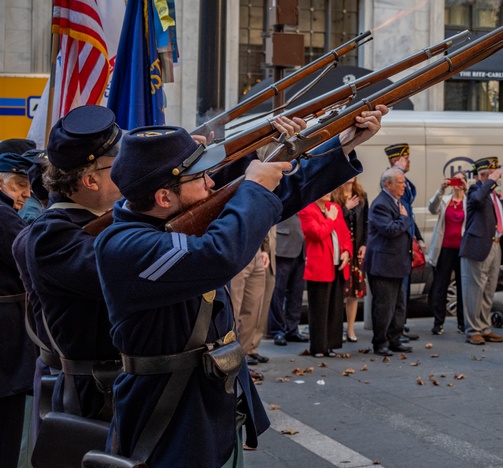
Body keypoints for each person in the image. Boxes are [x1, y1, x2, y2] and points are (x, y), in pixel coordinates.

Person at [93, 106, 384, 467]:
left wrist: (337, 146)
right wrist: (254, 186)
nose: (211, 183)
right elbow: (220, 255)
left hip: (211, 399)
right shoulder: (123, 244)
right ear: (164, 198)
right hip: (169, 409)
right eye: (199, 178)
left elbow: (273, 200)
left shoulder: (167, 221)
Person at [14, 106, 123, 428]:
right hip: (90, 396)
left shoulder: (98, 221)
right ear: (90, 179)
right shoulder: (52, 234)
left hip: (110, 388)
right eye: (121, 164)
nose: (133, 169)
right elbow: (125, 272)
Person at [0, 153, 34, 468]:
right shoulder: (4, 216)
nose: (26, 193)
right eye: (19, 185)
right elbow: (32, 264)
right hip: (5, 353)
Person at [460, 157, 503, 346]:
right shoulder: (476, 190)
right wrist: (490, 181)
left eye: (492, 174)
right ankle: (472, 329)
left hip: (495, 244)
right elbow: (476, 200)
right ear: (479, 176)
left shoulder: (492, 195)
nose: (491, 177)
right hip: (478, 246)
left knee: (488, 289)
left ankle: (484, 327)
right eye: (486, 174)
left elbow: (499, 209)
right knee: (474, 290)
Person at [365, 168, 415, 356]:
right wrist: (404, 219)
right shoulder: (380, 204)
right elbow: (390, 230)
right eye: (401, 182)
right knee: (384, 306)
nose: (404, 185)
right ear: (388, 184)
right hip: (383, 265)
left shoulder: (398, 202)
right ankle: (380, 343)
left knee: (399, 305)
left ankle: (395, 338)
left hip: (398, 263)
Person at [299, 192, 353, 357]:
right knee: (319, 310)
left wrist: (346, 252)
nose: (330, 193)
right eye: (326, 190)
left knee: (335, 307)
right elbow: (316, 233)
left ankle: (330, 344)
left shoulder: (334, 208)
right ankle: (318, 347)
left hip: (337, 264)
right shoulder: (306, 210)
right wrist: (329, 219)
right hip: (320, 267)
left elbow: (344, 234)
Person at [384, 143, 421, 341]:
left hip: (406, 241)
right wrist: (397, 171)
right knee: (397, 292)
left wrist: (418, 238)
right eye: (405, 158)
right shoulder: (390, 181)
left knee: (403, 291)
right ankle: (395, 328)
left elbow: (411, 204)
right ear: (395, 160)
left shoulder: (401, 181)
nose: (409, 161)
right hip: (397, 245)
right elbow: (407, 201)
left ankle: (400, 325)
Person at [426, 173, 467, 336]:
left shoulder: (468, 201)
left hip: (463, 249)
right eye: (454, 180)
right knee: (440, 286)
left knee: (462, 287)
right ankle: (438, 323)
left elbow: (477, 207)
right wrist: (441, 190)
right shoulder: (445, 200)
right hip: (445, 248)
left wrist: (468, 189)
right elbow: (432, 208)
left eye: (460, 180)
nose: (457, 183)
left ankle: (463, 323)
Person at [333, 178, 368, 343]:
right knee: (340, 291)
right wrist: (346, 209)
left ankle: (351, 329)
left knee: (354, 293)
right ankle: (337, 328)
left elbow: (367, 223)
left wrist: (365, 245)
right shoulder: (335, 197)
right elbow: (334, 220)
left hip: (356, 249)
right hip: (340, 249)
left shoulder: (361, 196)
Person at [231, 233, 271, 368]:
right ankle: (228, 362)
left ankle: (241, 362)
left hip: (256, 248)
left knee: (253, 311)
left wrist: (265, 249)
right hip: (235, 245)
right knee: (233, 311)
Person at [268, 215, 308, 345]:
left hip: (302, 248)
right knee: (278, 292)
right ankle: (277, 330)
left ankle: (292, 329)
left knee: (297, 292)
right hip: (283, 246)